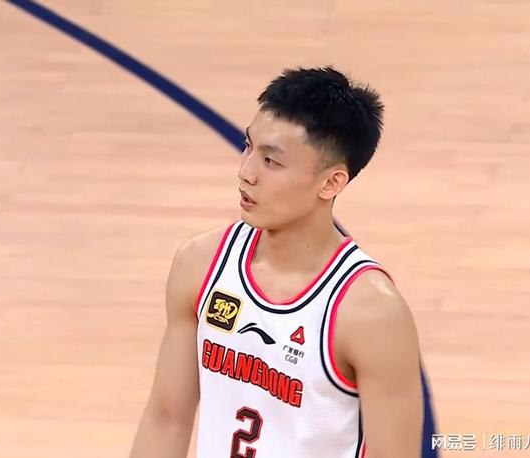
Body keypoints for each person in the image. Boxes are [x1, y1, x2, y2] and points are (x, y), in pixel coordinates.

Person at [129, 66, 423, 458]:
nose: (245, 173)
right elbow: (166, 419)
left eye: (271, 161)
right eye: (248, 146)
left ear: (331, 183)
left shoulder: (370, 313)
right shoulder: (200, 263)